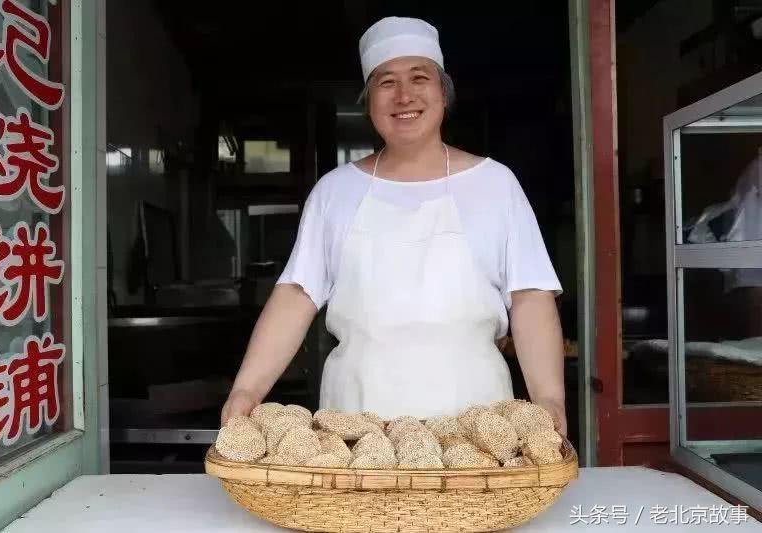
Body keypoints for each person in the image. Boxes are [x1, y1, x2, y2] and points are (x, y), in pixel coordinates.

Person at [221, 16, 567, 435]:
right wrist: (246, 390)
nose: (404, 95)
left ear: (443, 93)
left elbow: (529, 296)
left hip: (477, 425)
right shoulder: (335, 192)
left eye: (419, 78)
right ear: (369, 102)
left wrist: (549, 400)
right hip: (357, 421)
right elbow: (296, 296)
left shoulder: (495, 185)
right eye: (386, 82)